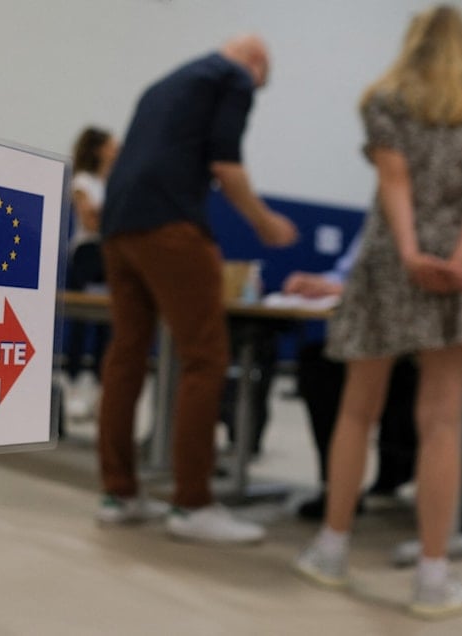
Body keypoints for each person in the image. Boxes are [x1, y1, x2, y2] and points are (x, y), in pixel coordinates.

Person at [293, 6, 462, 619]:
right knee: (443, 421)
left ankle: (333, 550)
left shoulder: (385, 100)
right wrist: (456, 262)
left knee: (357, 410)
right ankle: (433, 579)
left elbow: (394, 180)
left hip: (390, 261)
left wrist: (413, 252)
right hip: (459, 275)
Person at [95, 34, 298, 544]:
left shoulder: (162, 85)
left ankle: (118, 493)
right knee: (205, 357)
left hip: (118, 227)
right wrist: (264, 222)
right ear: (256, 64)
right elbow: (227, 166)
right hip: (170, 224)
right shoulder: (234, 77)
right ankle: (192, 503)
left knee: (125, 356)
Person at [283, 233, 418, 520]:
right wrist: (324, 283)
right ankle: (338, 489)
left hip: (419, 341)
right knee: (320, 363)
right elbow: (349, 272)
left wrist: (345, 289)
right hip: (376, 331)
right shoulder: (380, 218)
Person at [62, 126, 118, 422]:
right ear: (98, 149)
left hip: (110, 257)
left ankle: (99, 391)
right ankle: (71, 387)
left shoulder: (112, 185)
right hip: (87, 256)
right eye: (112, 145)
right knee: (82, 323)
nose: (117, 148)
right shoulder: (83, 181)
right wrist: (109, 218)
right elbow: (90, 220)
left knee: (107, 328)